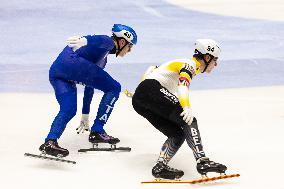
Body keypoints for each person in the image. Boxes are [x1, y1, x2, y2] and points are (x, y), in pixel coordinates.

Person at [132, 39, 227, 179]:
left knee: (177, 134)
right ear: (207, 57)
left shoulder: (181, 64)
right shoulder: (189, 65)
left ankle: (160, 167)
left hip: (140, 100)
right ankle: (203, 161)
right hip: (151, 90)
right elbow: (182, 86)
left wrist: (140, 93)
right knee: (189, 120)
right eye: (215, 60)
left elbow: (151, 69)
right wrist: (186, 107)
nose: (216, 64)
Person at [39, 24, 137, 157]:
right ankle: (98, 130)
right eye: (130, 46)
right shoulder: (109, 43)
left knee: (68, 110)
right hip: (72, 64)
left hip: (56, 73)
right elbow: (101, 39)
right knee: (114, 87)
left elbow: (89, 85)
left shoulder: (101, 58)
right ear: (121, 41)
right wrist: (85, 40)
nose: (129, 51)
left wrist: (85, 114)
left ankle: (50, 141)